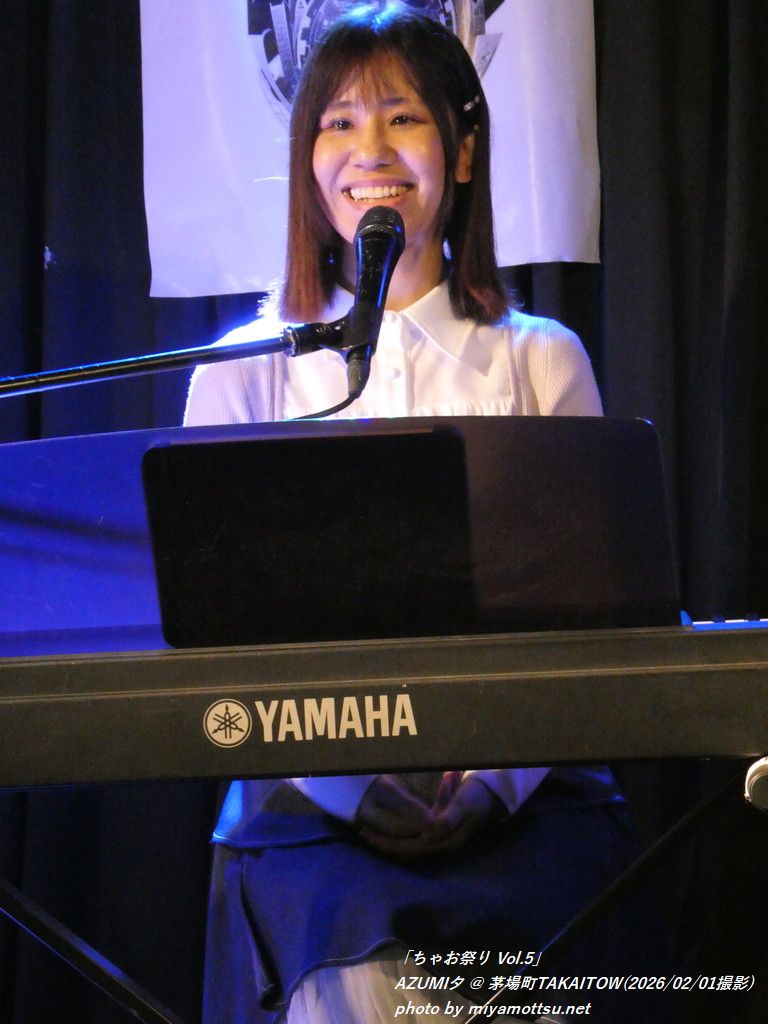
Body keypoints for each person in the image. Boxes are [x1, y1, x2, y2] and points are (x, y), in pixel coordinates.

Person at [184, 7, 649, 1022]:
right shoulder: (241, 374)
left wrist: (494, 780)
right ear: (307, 160)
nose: (371, 153)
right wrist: (353, 785)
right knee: (370, 988)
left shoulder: (541, 359)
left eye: (402, 118)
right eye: (338, 124)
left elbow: (594, 625)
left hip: (529, 796)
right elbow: (223, 643)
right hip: (307, 803)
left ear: (463, 150)